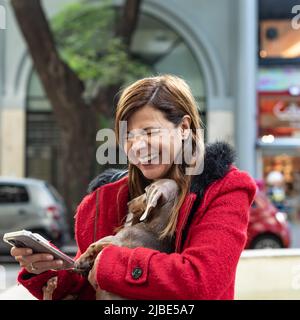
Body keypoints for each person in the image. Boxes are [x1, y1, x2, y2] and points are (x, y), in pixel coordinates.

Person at [11, 75, 256, 300]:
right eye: (128, 136)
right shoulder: (105, 200)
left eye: (149, 132)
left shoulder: (223, 189)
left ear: (183, 128)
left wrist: (110, 262)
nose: (137, 146)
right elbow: (89, 287)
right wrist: (50, 268)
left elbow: (201, 282)